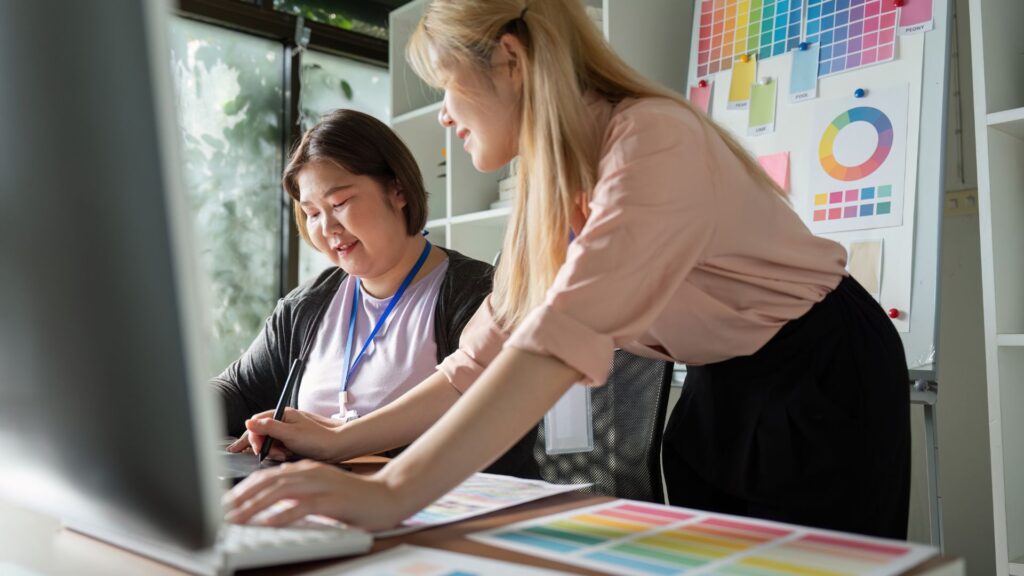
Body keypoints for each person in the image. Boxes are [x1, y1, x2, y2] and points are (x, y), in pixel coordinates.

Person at [224, 0, 909, 540]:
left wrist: (392, 493)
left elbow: (556, 340)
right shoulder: (548, 193)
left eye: (449, 88)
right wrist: (343, 440)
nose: (444, 116)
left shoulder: (651, 138)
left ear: (510, 61)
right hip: (718, 383)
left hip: (819, 369)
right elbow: (476, 363)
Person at [211, 108, 537, 478]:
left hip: (430, 512)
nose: (328, 227)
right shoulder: (305, 307)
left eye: (340, 203)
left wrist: (341, 440)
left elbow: (487, 425)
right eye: (312, 213)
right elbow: (235, 389)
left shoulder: (476, 294)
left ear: (397, 190)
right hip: (323, 509)